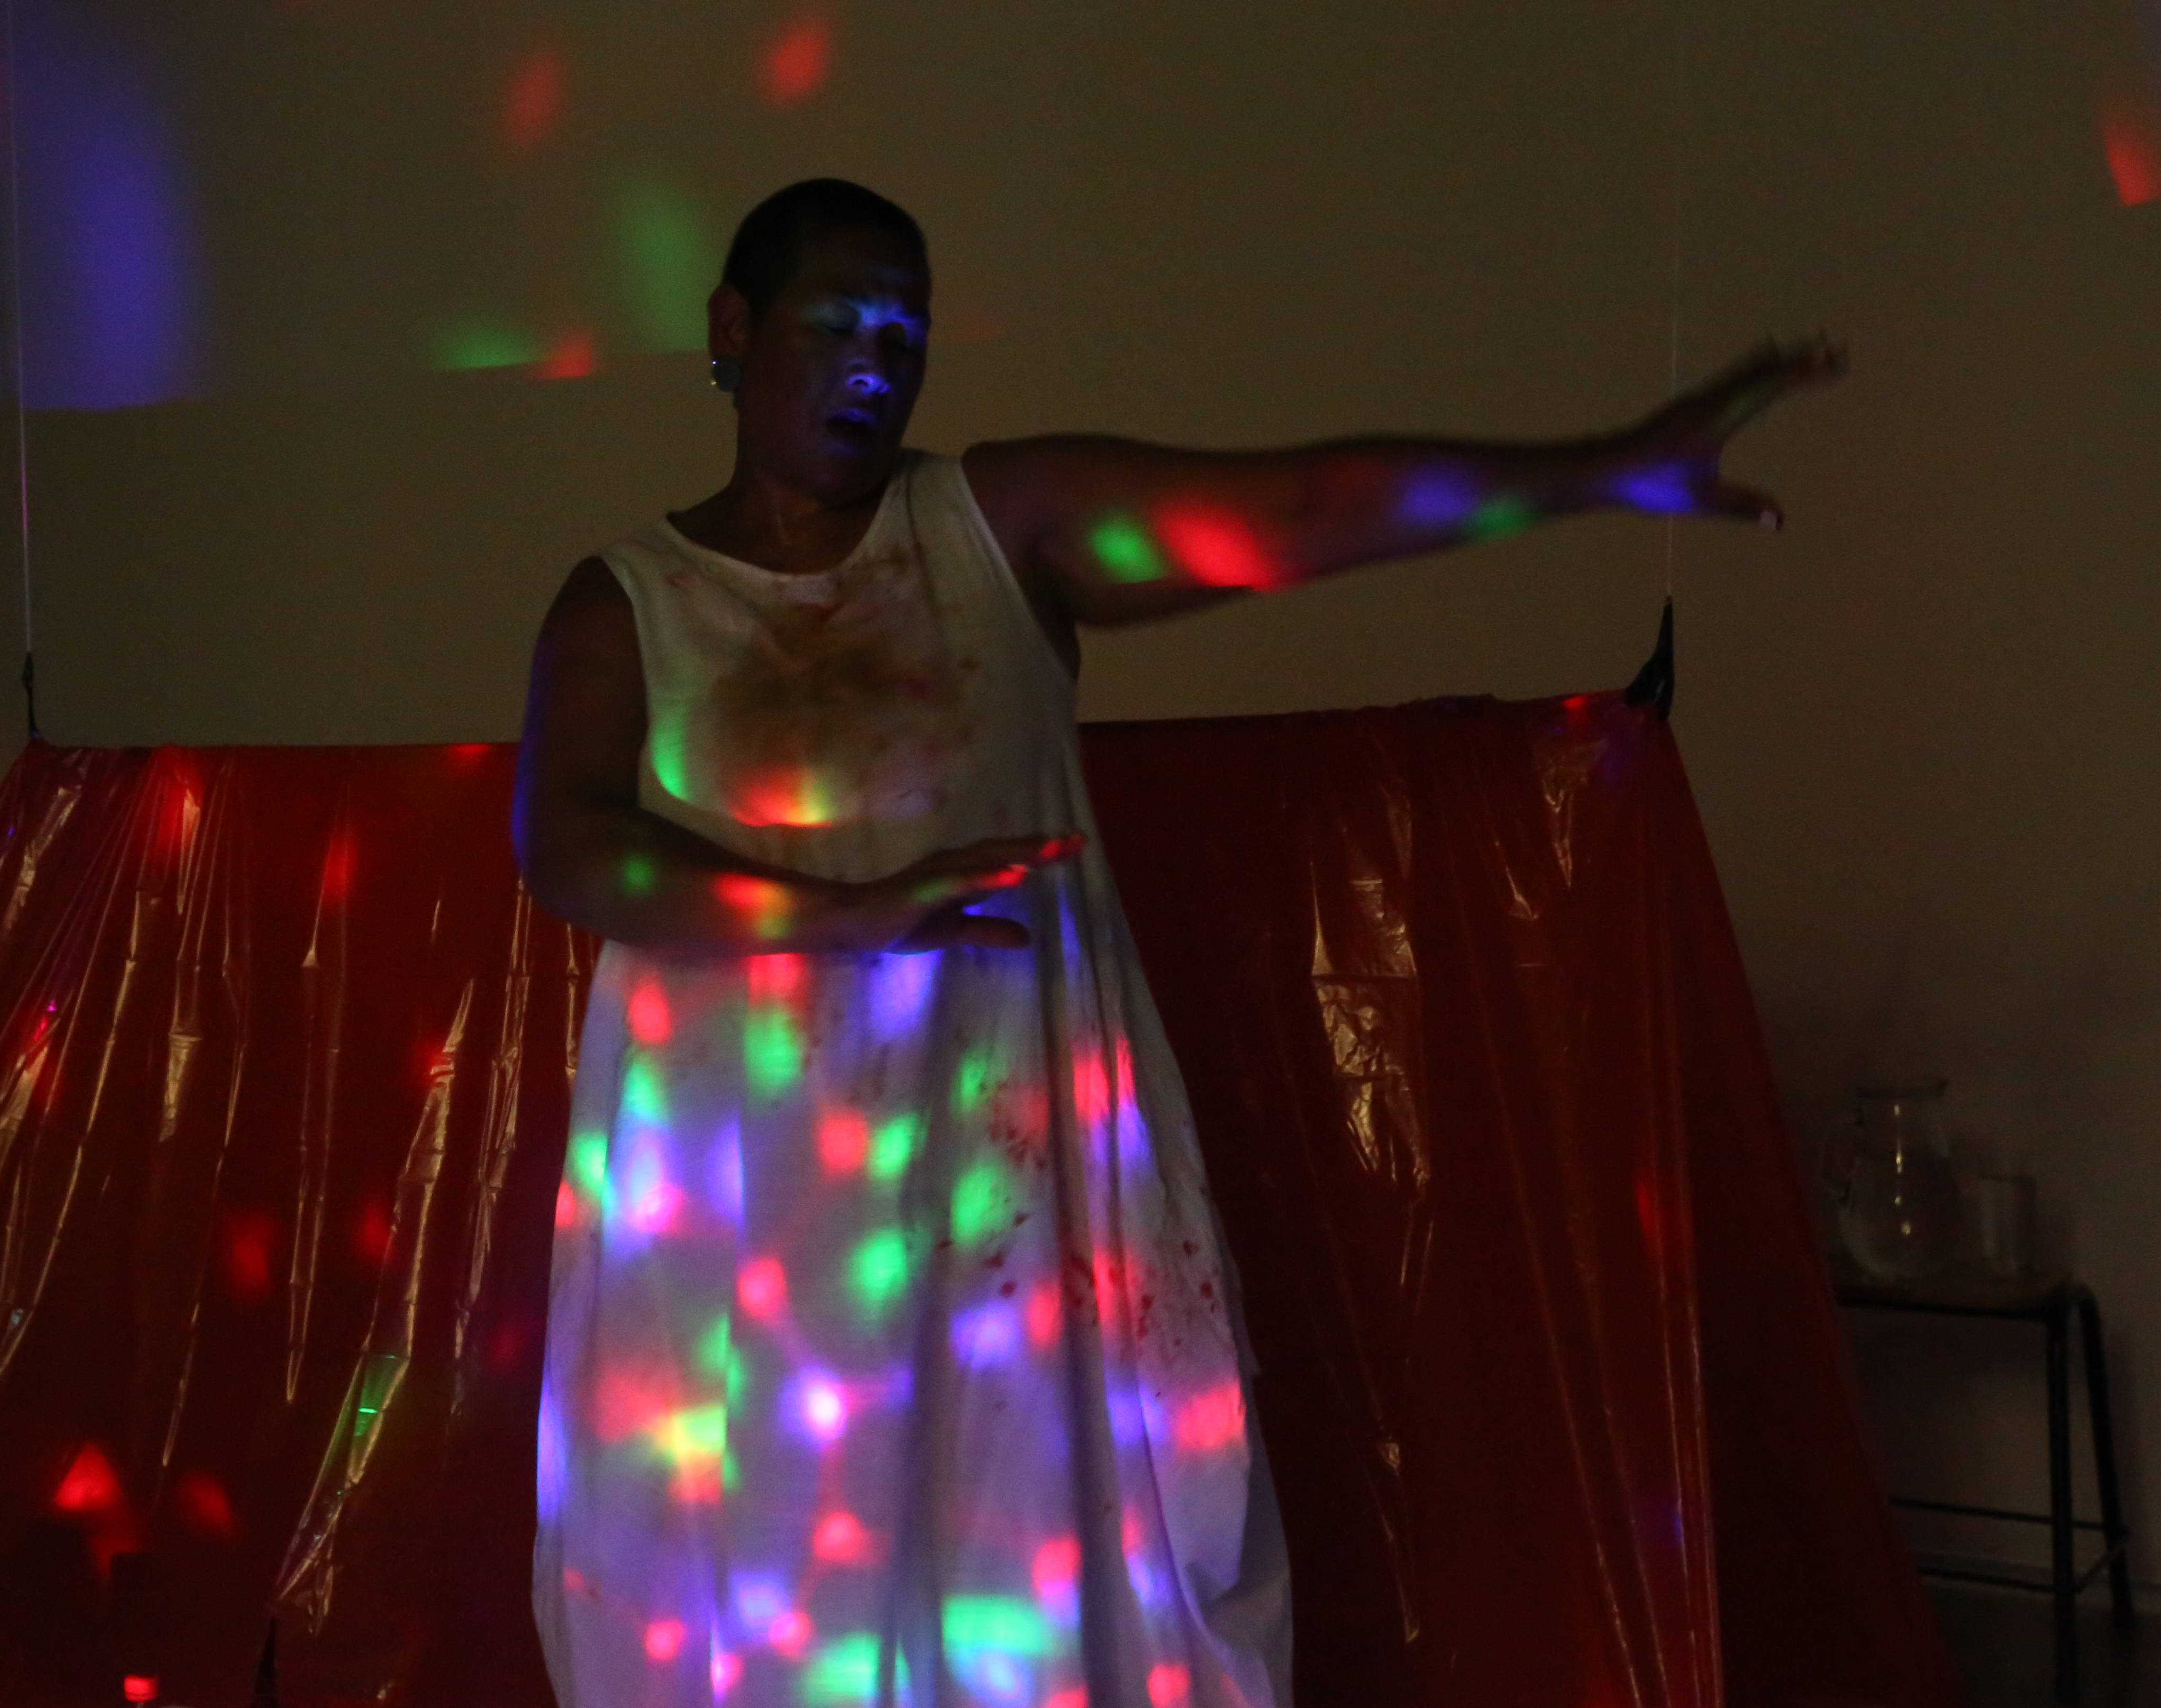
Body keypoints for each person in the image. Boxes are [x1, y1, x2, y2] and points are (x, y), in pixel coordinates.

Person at [513, 177, 1839, 1708]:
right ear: (734, 331)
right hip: (749, 1212)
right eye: (835, 326)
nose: (874, 365)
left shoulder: (991, 528)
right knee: (775, 1585)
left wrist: (1599, 471)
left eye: (905, 336)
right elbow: (572, 844)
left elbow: (1296, 509)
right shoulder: (633, 602)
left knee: (1032, 1559)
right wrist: (841, 912)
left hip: (1008, 1187)